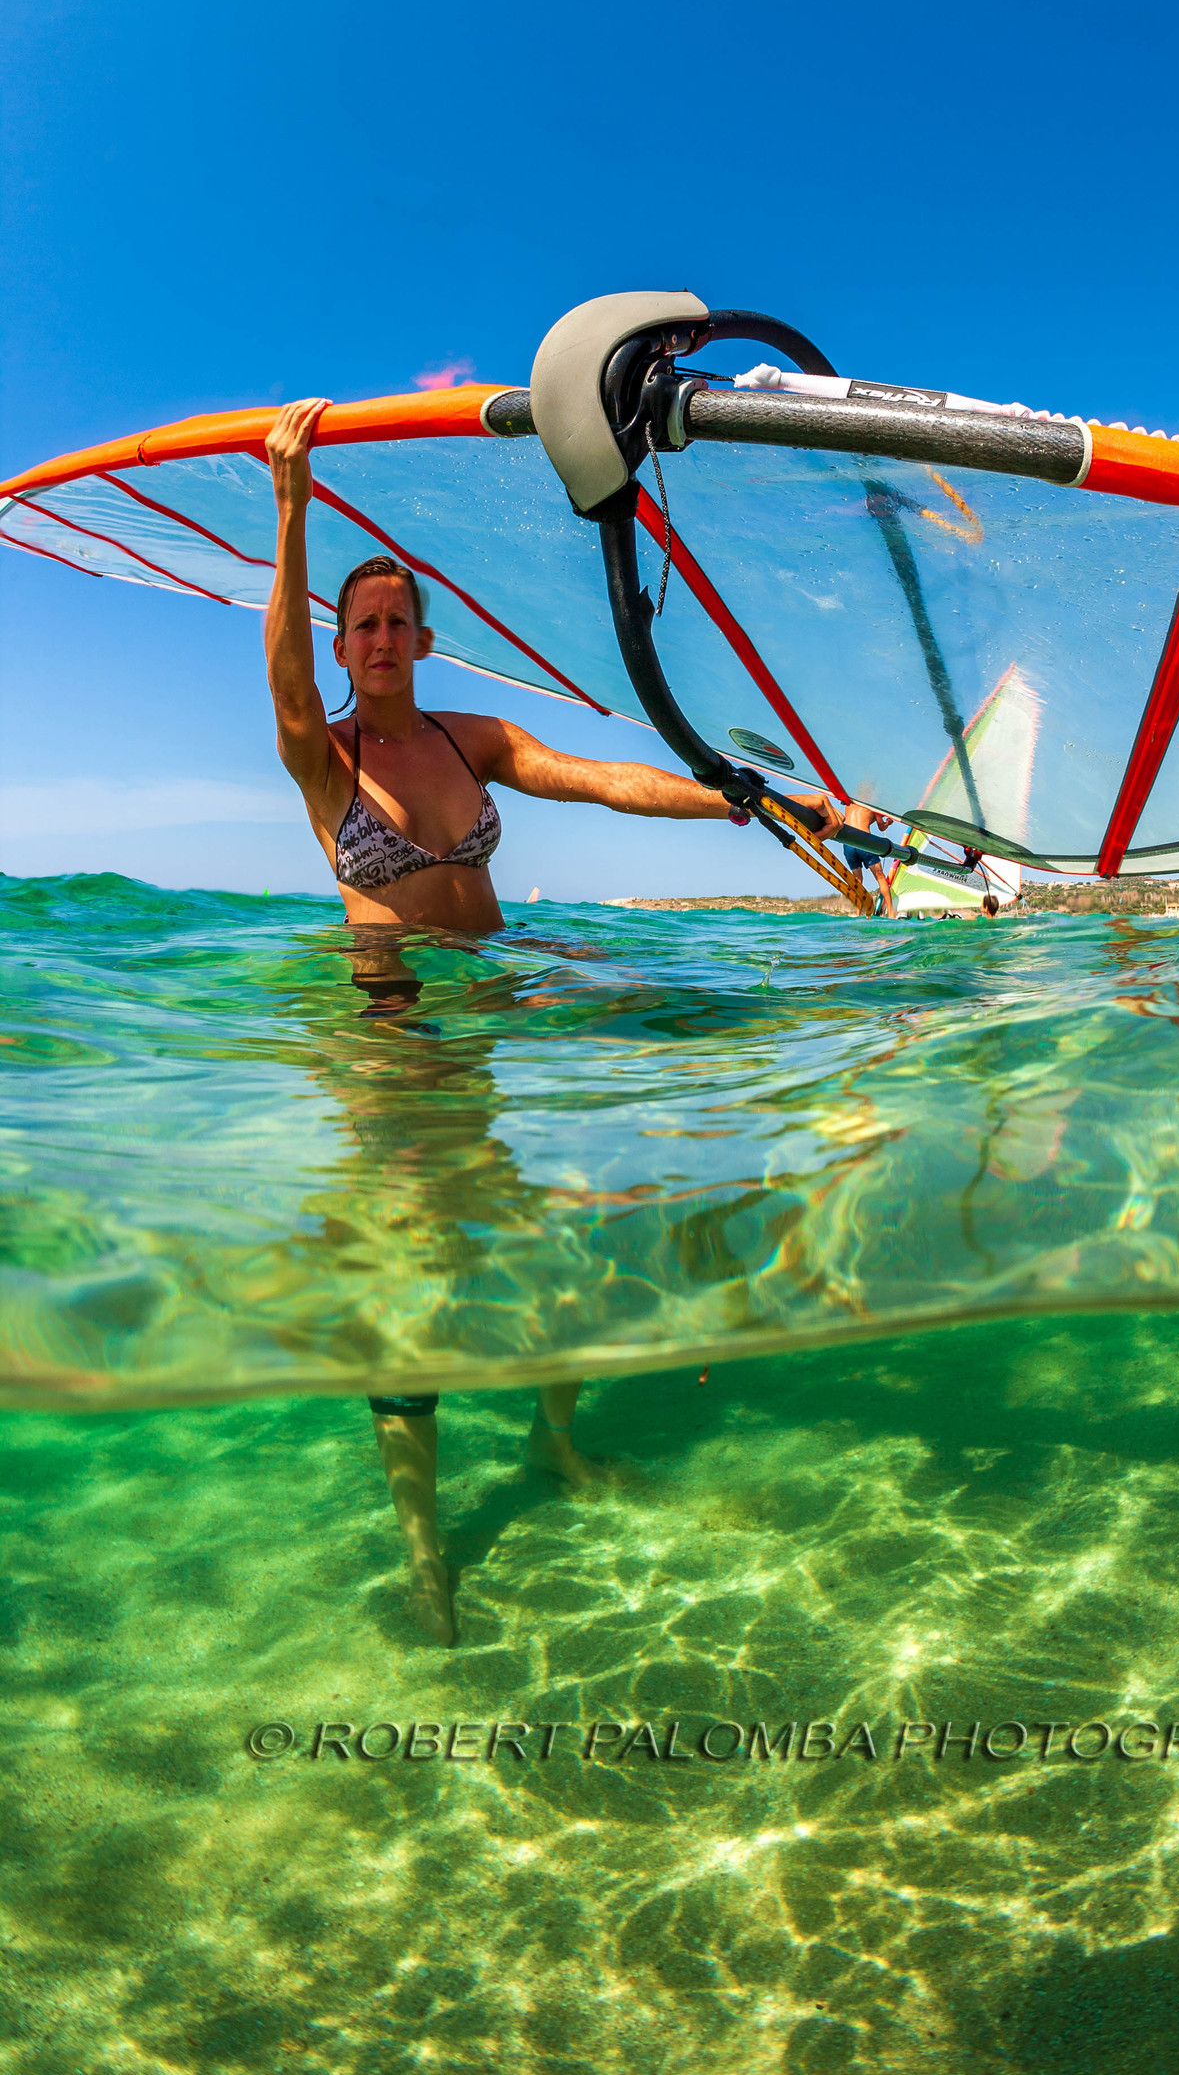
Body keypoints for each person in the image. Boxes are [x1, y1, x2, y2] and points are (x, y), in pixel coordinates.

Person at [264, 398, 842, 1643]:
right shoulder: (329, 756)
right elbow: (286, 693)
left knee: (545, 1240)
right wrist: (293, 506)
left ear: (421, 637)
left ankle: (555, 1448)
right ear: (344, 639)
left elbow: (607, 780)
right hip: (398, 1018)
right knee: (414, 1274)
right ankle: (427, 1547)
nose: (375, 639)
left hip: (498, 992)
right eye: (356, 625)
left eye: (392, 623)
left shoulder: (474, 737)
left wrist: (737, 798)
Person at [841, 801, 897, 914]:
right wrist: (888, 823)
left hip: (847, 842)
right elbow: (881, 827)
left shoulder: (848, 803)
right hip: (864, 841)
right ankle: (891, 912)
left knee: (857, 880)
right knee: (880, 877)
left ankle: (858, 913)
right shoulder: (872, 803)